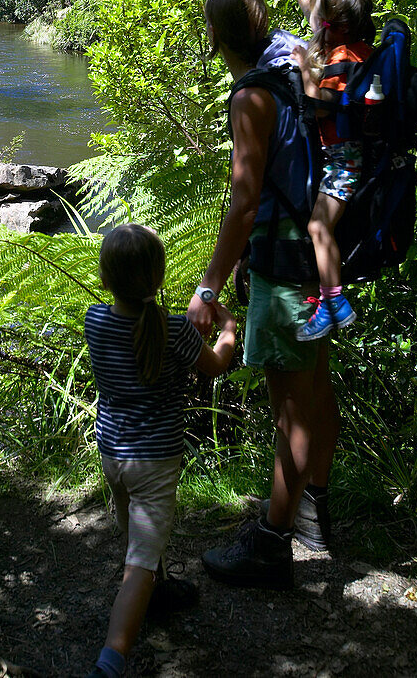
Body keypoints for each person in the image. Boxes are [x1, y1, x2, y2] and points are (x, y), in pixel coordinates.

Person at [188, 0, 340, 589]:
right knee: (315, 389)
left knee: (289, 412)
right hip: (319, 254)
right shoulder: (294, 71)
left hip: (283, 264)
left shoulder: (253, 95)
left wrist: (208, 286)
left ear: (217, 38)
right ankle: (314, 515)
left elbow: (244, 200)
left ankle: (273, 542)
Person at [85, 223, 237, 678]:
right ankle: (110, 663)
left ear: (105, 279)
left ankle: (161, 589)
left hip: (113, 454)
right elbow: (217, 364)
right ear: (160, 278)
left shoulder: (96, 320)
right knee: (140, 564)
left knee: (135, 534)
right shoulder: (177, 331)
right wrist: (227, 327)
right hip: (155, 459)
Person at [281, 0, 375, 340]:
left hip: (342, 159)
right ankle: (331, 298)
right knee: (322, 228)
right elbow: (317, 14)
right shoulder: (360, 48)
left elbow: (320, 108)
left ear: (332, 26)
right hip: (349, 156)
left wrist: (305, 67)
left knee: (318, 228)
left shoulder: (340, 59)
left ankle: (334, 303)